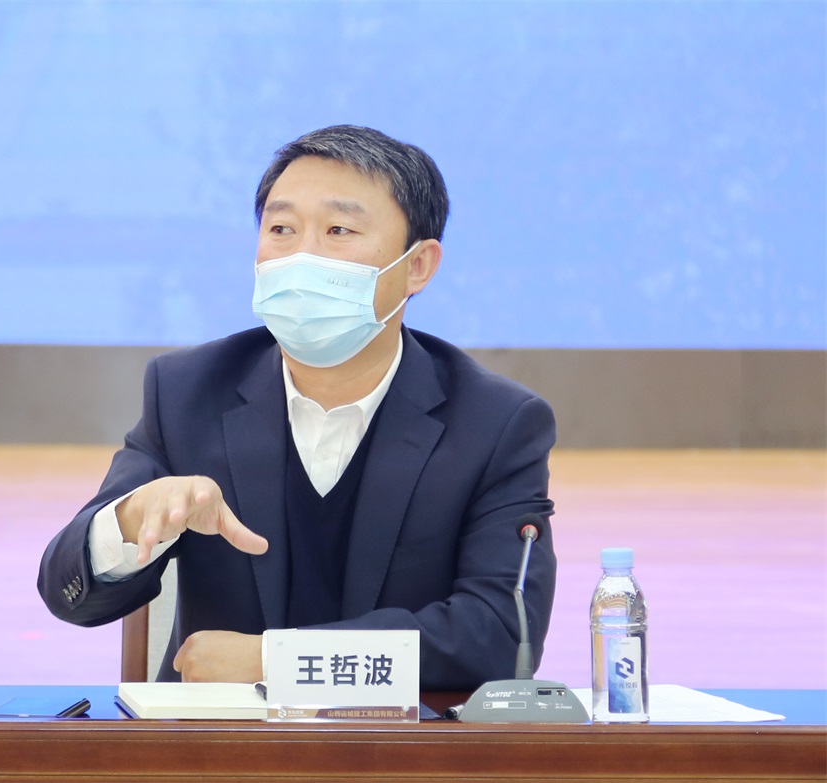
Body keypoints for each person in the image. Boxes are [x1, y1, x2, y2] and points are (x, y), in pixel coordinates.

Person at [37, 125, 557, 691]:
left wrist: (276, 661)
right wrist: (130, 519)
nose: (302, 256)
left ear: (418, 266)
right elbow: (68, 594)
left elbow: (501, 634)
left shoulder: (495, 423)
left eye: (339, 230)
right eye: (281, 229)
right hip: (220, 741)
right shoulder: (189, 391)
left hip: (401, 740)